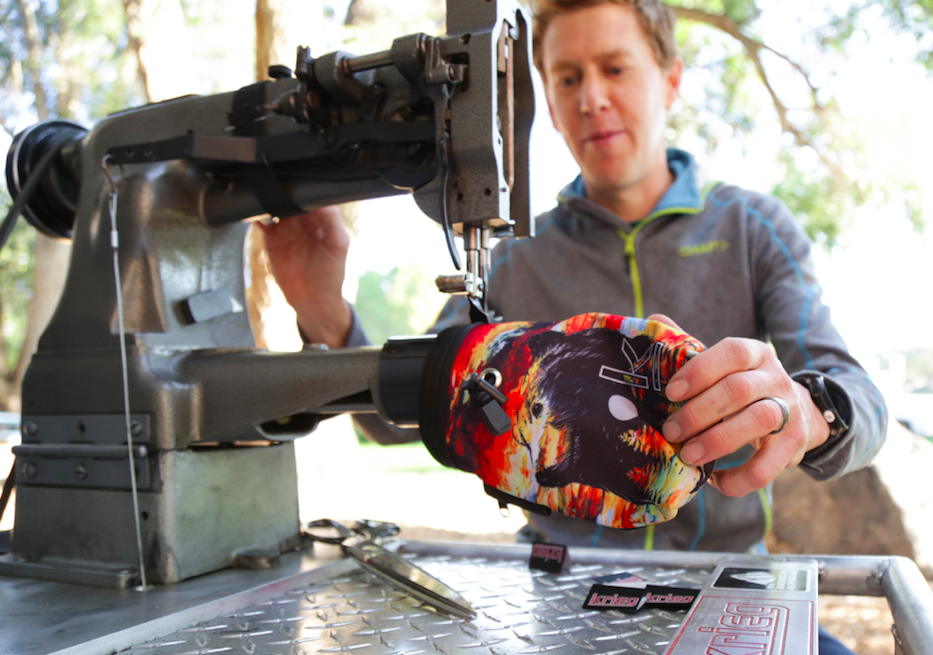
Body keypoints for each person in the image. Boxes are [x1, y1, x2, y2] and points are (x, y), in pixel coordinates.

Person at [261, 2, 887, 652]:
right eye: (567, 78)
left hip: (727, 587)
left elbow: (861, 398)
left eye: (615, 68)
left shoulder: (753, 228)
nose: (591, 98)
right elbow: (405, 410)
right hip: (561, 597)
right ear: (549, 107)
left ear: (670, 79)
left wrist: (811, 412)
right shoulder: (512, 256)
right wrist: (325, 309)